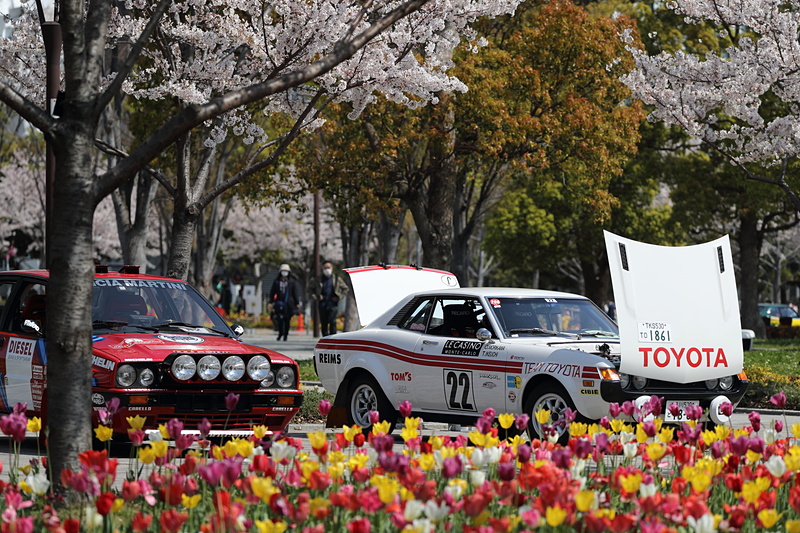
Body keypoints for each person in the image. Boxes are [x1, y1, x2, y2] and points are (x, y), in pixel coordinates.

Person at [311, 261, 349, 336]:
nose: (327, 269)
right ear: (322, 269)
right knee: (324, 323)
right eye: (325, 268)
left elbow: (345, 288)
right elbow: (310, 289)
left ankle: (333, 339)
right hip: (322, 304)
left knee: (332, 322)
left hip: (332, 303)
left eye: (328, 268)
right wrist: (316, 296)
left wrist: (339, 297)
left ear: (332, 268)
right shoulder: (318, 279)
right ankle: (325, 339)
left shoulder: (337, 279)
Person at [269, 264, 301, 341]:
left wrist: (297, 303)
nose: (284, 273)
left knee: (287, 319)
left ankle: (285, 334)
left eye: (286, 271)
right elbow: (272, 292)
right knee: (279, 319)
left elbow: (295, 293)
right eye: (283, 271)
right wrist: (271, 302)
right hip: (279, 303)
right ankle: (280, 333)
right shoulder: (276, 281)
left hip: (289, 304)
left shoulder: (291, 282)